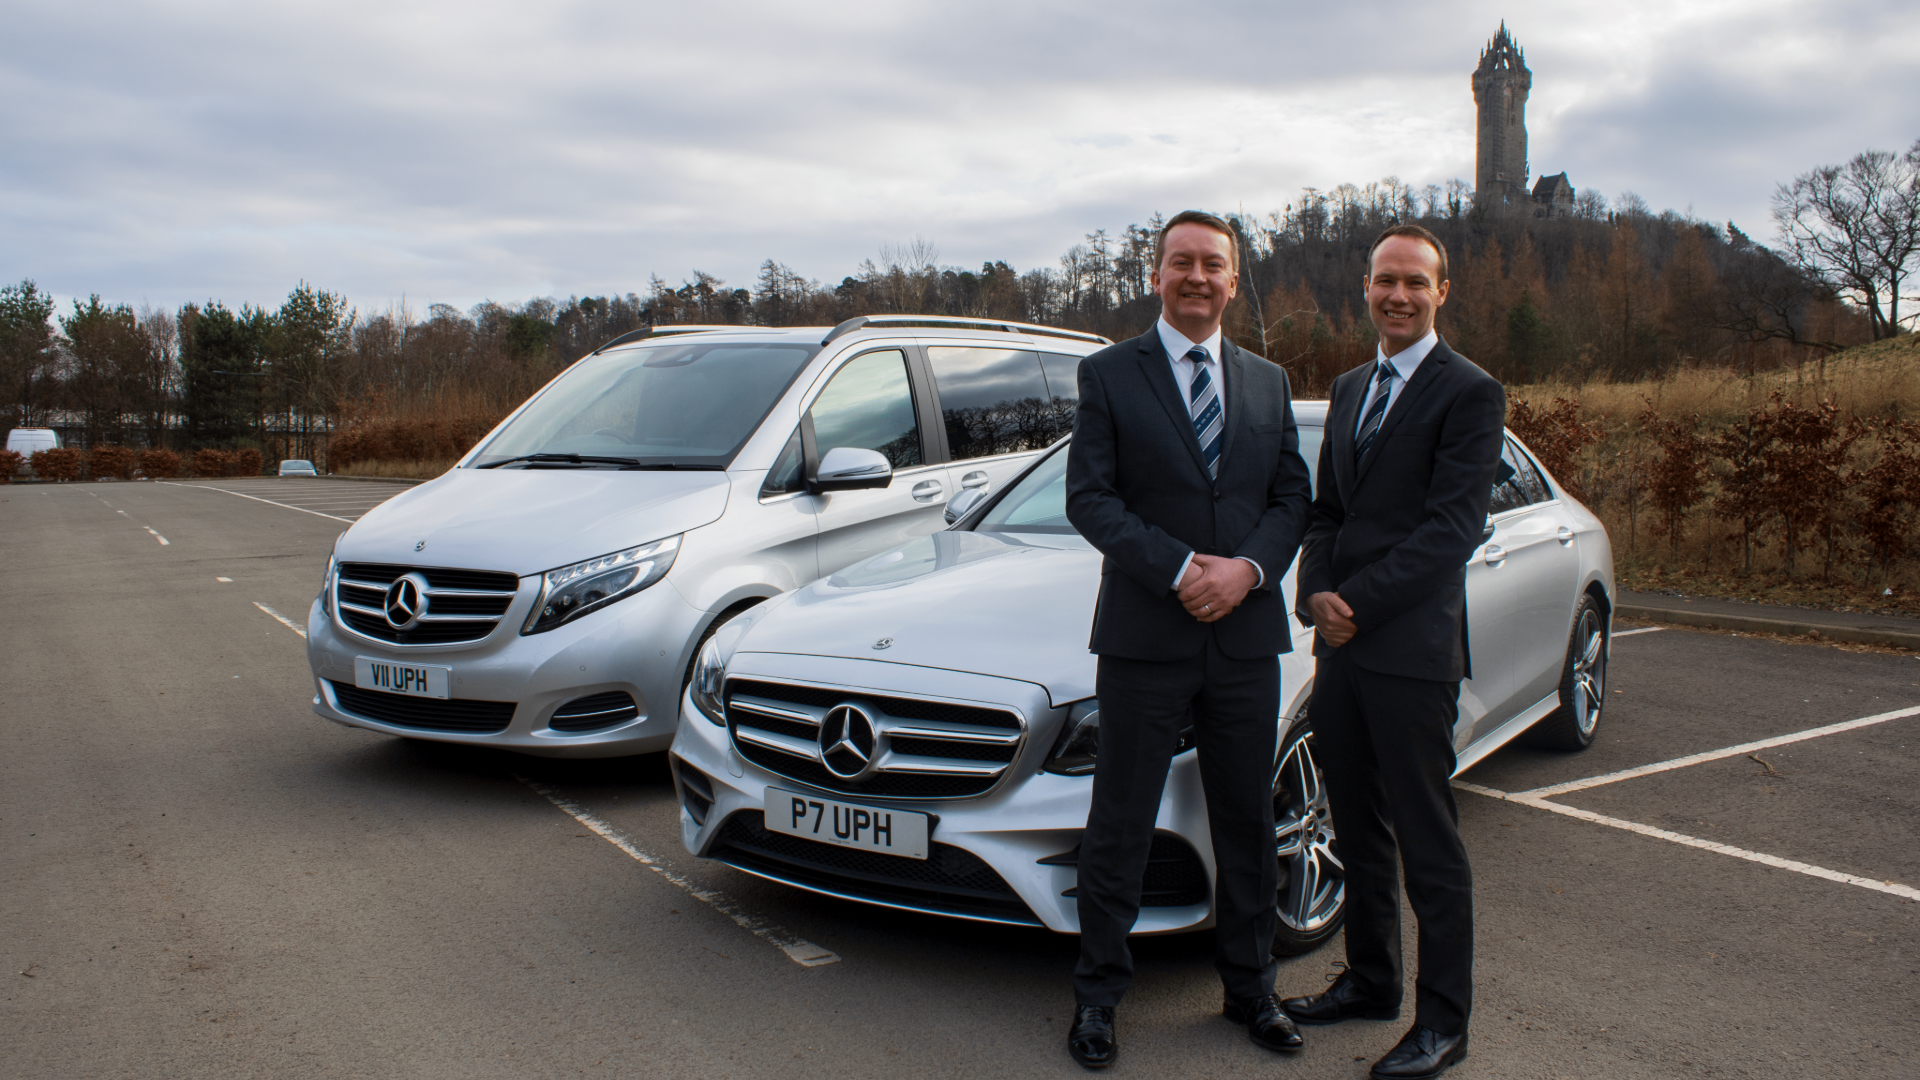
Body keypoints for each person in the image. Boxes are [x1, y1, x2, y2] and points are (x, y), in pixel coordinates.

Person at [1062, 210, 1314, 1069]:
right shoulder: (1108, 375)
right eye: (1182, 263)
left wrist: (1246, 572)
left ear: (1235, 281)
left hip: (1244, 638)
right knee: (1120, 819)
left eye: (1214, 265)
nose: (1197, 277)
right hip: (1144, 635)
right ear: (1156, 276)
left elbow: (1292, 499)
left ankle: (1251, 990)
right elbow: (1090, 500)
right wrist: (1178, 570)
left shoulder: (1268, 381)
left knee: (1246, 818)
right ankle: (1097, 999)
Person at [1284, 223, 1505, 1080]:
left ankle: (1444, 1022)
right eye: (1386, 281)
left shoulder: (1469, 392)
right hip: (1339, 653)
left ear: (1441, 292)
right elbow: (1327, 511)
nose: (1399, 296)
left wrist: (1353, 605)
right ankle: (1372, 983)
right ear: (1366, 288)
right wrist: (1313, 593)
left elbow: (1451, 529)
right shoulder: (1349, 385)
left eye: (1416, 282)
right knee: (1357, 828)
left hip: (1410, 653)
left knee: (1428, 841)